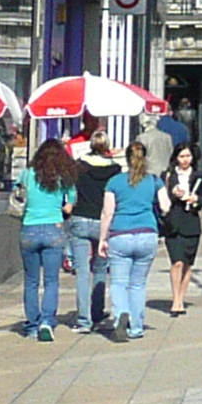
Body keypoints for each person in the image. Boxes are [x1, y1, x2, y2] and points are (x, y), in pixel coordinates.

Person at [14, 139, 76, 342]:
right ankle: (47, 322)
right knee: (51, 281)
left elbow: (17, 196)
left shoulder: (27, 174)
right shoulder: (63, 177)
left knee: (31, 281)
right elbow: (70, 204)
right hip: (54, 229)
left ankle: (31, 325)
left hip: (29, 229)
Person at [102, 144, 163, 339]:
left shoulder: (114, 182)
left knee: (119, 283)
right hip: (147, 233)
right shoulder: (154, 181)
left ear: (127, 159)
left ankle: (121, 315)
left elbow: (107, 213)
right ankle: (136, 327)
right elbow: (166, 206)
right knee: (138, 284)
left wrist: (103, 239)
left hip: (120, 234)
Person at [67, 130, 121, 330]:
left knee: (81, 271)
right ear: (107, 146)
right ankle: (97, 312)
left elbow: (72, 191)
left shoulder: (79, 166)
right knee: (100, 269)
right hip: (103, 222)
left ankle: (83, 319)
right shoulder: (115, 169)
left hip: (80, 218)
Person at [158, 144, 202, 318]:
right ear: (176, 158)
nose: (185, 160)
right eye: (181, 156)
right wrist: (173, 192)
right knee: (177, 262)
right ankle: (175, 300)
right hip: (173, 222)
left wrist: (195, 199)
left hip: (191, 223)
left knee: (188, 263)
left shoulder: (200, 176)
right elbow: (160, 195)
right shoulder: (167, 176)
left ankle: (181, 298)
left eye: (188, 156)